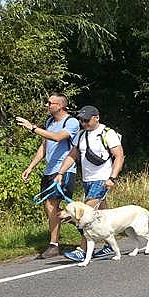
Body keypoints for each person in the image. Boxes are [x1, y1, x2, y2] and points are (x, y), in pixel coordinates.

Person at [54, 105, 124, 263]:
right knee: (101, 213)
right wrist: (60, 173)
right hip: (87, 180)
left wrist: (112, 178)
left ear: (96, 118)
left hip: (102, 179)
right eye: (81, 120)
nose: (83, 123)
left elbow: (119, 156)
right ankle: (108, 242)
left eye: (86, 120)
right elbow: (72, 155)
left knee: (87, 214)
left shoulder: (108, 133)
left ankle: (83, 250)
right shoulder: (81, 135)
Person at [17, 94, 80, 259]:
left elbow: (57, 137)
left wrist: (32, 128)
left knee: (51, 205)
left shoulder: (71, 122)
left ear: (60, 106)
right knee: (49, 207)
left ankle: (54, 245)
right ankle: (79, 221)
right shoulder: (50, 122)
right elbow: (45, 146)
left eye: (50, 103)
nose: (47, 105)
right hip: (49, 171)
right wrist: (31, 167)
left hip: (63, 170)